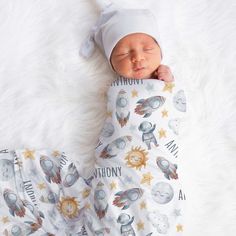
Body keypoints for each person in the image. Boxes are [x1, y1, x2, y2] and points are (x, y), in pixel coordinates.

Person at [80, 2, 186, 235]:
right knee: (109, 199)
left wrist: (168, 86)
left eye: (147, 49)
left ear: (160, 51)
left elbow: (177, 111)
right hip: (116, 163)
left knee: (159, 204)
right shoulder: (117, 89)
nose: (137, 58)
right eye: (124, 53)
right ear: (111, 62)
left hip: (157, 161)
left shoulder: (163, 84)